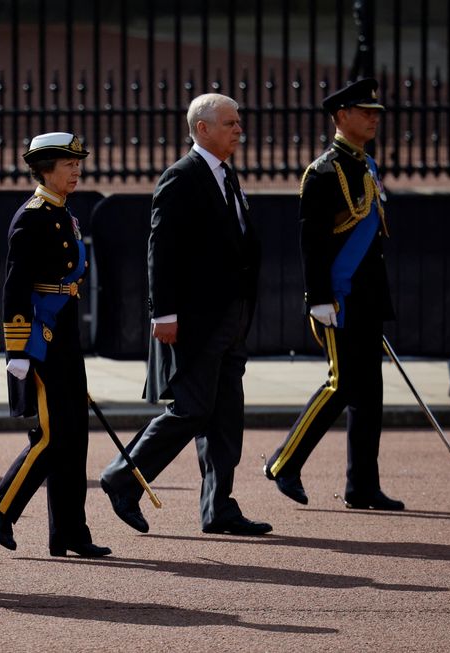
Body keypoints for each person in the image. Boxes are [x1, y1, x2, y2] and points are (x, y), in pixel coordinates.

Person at [99, 93, 271, 536]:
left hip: (232, 317)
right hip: (197, 320)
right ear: (203, 129)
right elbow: (161, 250)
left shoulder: (226, 175)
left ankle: (218, 507)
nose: (239, 129)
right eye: (230, 123)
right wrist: (164, 312)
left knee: (226, 413)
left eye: (238, 121)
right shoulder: (181, 176)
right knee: (192, 409)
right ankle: (123, 476)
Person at [263, 78, 404, 512]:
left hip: (366, 295)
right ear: (342, 117)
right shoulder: (323, 171)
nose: (373, 118)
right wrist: (318, 297)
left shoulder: (366, 165)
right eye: (366, 112)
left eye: (376, 112)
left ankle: (362, 484)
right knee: (341, 385)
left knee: (370, 394)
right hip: (339, 297)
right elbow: (313, 241)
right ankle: (283, 463)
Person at [0, 132, 111, 558]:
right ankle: (0, 504)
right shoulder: (31, 216)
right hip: (39, 339)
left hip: (65, 339)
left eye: (77, 163)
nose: (76, 170)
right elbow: (14, 289)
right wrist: (16, 349)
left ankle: (70, 532)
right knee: (52, 435)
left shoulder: (65, 214)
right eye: (68, 164)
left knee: (75, 436)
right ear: (45, 168)